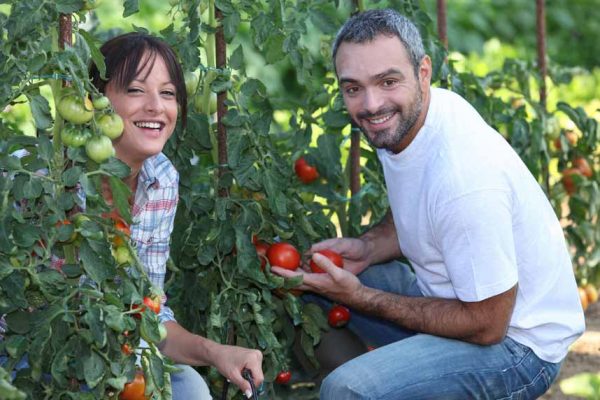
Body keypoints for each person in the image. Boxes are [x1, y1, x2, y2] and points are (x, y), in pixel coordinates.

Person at [272, 9, 585, 399]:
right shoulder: (416, 118)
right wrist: (369, 247)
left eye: (387, 81)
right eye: (353, 88)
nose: (371, 104)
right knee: (312, 285)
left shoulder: (464, 180)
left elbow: (488, 325)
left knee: (348, 390)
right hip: (459, 304)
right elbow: (416, 201)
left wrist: (360, 297)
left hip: (518, 347)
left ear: (423, 72)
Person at [89, 32, 263, 399]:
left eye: (168, 94)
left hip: (120, 353)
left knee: (191, 391)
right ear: (97, 100)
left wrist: (217, 353)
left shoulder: (161, 178)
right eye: (136, 90)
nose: (156, 107)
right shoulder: (49, 177)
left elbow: (148, 312)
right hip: (30, 354)